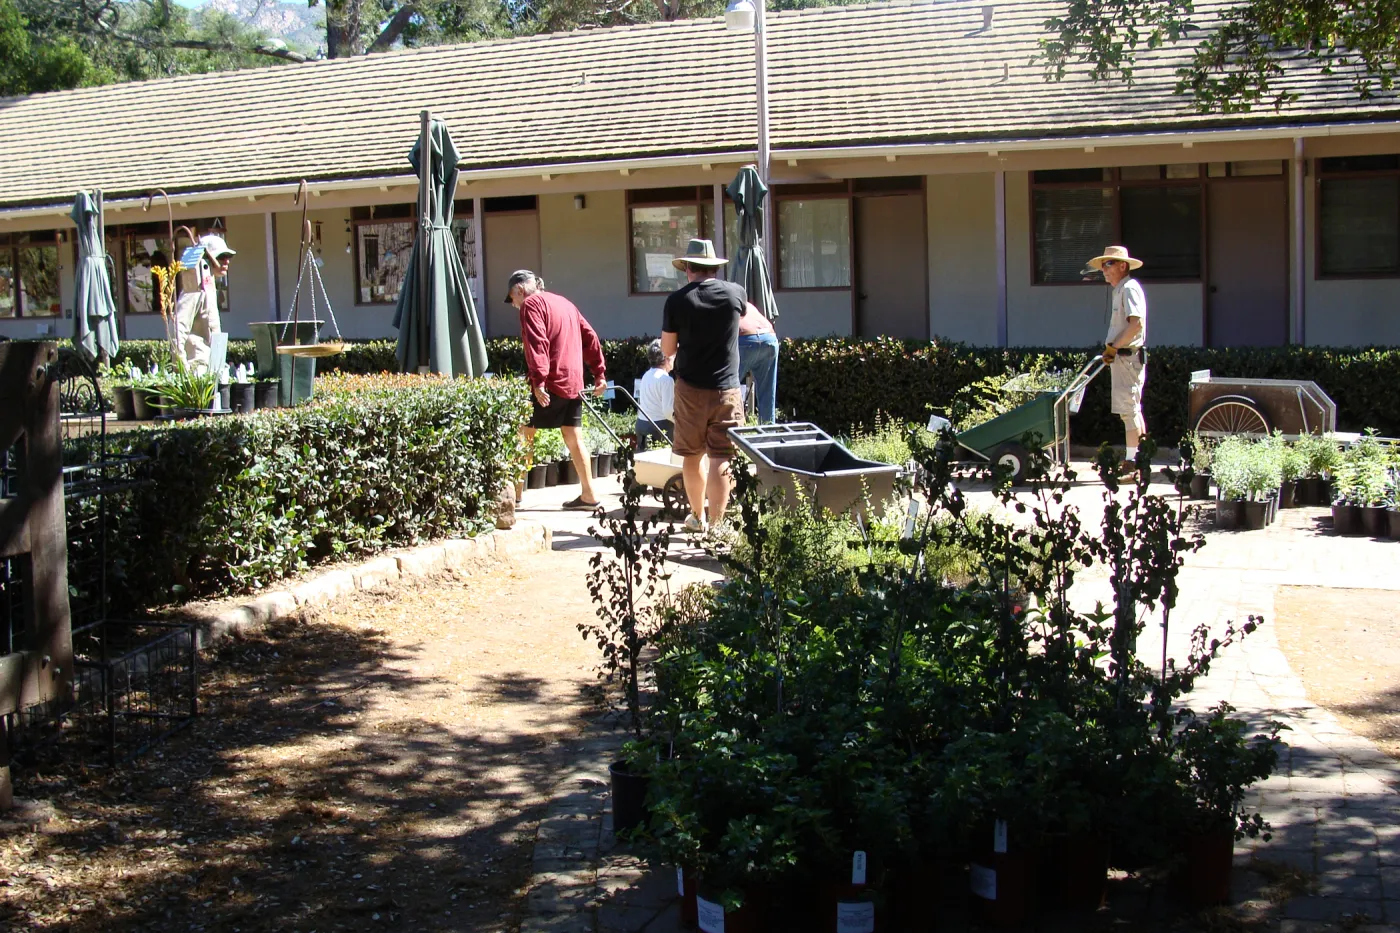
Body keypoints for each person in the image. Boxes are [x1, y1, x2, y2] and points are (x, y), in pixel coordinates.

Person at [661, 239, 745, 535]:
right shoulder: (736, 293)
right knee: (722, 455)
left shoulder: (677, 301)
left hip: (691, 389)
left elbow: (668, 350)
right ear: (714, 268)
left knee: (692, 455)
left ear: (687, 269)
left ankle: (697, 518)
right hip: (727, 389)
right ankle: (719, 524)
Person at [506, 270, 607, 509]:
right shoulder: (565, 303)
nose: (514, 305)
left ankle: (516, 497)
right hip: (573, 381)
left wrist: (538, 380)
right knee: (573, 436)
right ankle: (589, 494)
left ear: (520, 290)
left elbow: (536, 341)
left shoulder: (531, 304)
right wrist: (599, 373)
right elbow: (590, 336)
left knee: (525, 433)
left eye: (512, 298)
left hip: (550, 382)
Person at [1087, 245, 1148, 475]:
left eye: (1109, 264)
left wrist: (1113, 347)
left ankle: (1133, 464)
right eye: (1103, 265)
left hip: (1127, 357)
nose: (1104, 269)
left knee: (1129, 411)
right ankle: (1140, 460)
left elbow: (1136, 325)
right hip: (1123, 357)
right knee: (1132, 410)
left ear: (1123, 266)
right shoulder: (1121, 289)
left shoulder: (1130, 288)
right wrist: (1111, 348)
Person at [173, 234, 235, 371]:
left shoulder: (210, 287)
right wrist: (182, 365)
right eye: (221, 257)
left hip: (212, 366)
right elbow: (178, 329)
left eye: (228, 257)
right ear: (206, 259)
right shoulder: (194, 290)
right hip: (197, 368)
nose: (226, 261)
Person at [737, 300, 778, 424]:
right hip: (770, 339)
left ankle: (731, 433)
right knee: (767, 393)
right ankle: (769, 434)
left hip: (744, 339)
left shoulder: (722, 303)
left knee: (728, 390)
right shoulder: (747, 304)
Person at [635, 338, 674, 451]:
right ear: (665, 358)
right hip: (659, 427)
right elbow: (668, 412)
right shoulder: (666, 379)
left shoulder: (646, 375)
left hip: (641, 424)